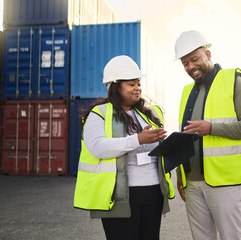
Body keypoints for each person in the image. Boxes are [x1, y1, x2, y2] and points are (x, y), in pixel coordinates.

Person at [174, 30, 241, 240]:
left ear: (208, 54)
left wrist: (212, 128)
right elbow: (184, 136)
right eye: (185, 63)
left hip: (224, 181)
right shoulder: (187, 91)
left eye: (194, 59)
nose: (190, 67)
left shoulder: (233, 80)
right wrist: (181, 175)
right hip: (192, 183)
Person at [74, 55, 175, 240]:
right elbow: (98, 147)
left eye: (138, 83)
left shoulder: (150, 113)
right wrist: (138, 139)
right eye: (131, 84)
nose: (138, 88)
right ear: (115, 86)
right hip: (121, 196)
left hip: (153, 191)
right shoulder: (99, 114)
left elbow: (156, 152)